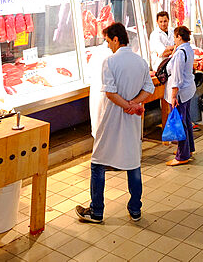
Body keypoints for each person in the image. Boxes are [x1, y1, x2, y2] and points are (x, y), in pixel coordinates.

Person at [77, 23, 153, 224]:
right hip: (132, 121)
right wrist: (134, 104)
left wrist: (127, 104)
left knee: (98, 164)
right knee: (133, 164)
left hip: (110, 120)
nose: (108, 45)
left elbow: (110, 93)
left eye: (108, 40)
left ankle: (97, 211)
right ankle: (135, 209)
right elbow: (149, 89)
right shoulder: (141, 62)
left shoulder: (109, 62)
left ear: (116, 39)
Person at [165, 26, 196, 166]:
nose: (174, 40)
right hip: (188, 89)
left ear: (179, 37)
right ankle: (188, 149)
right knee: (186, 120)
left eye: (175, 37)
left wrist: (173, 96)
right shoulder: (187, 49)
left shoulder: (179, 53)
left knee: (180, 123)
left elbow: (177, 77)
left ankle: (182, 155)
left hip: (181, 92)